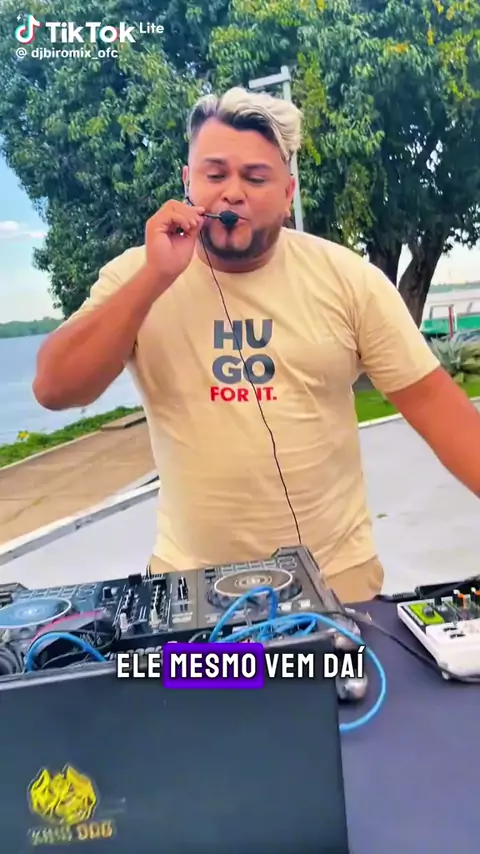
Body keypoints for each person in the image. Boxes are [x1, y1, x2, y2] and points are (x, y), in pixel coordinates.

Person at [33, 87, 480, 603]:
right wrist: (155, 277)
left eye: (255, 177)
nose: (233, 193)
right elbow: (55, 387)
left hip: (339, 584)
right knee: (188, 666)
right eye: (215, 174)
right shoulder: (136, 276)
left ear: (288, 194)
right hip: (186, 591)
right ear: (187, 181)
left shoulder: (349, 281)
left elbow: (439, 409)